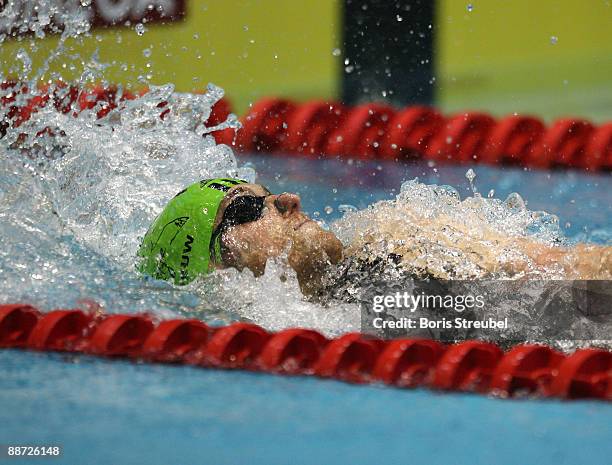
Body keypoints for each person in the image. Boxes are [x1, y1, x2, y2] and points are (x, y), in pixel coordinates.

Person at [137, 178, 612, 296]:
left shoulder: (400, 240)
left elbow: (580, 274)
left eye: (267, 190)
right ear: (215, 265)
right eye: (245, 208)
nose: (288, 199)